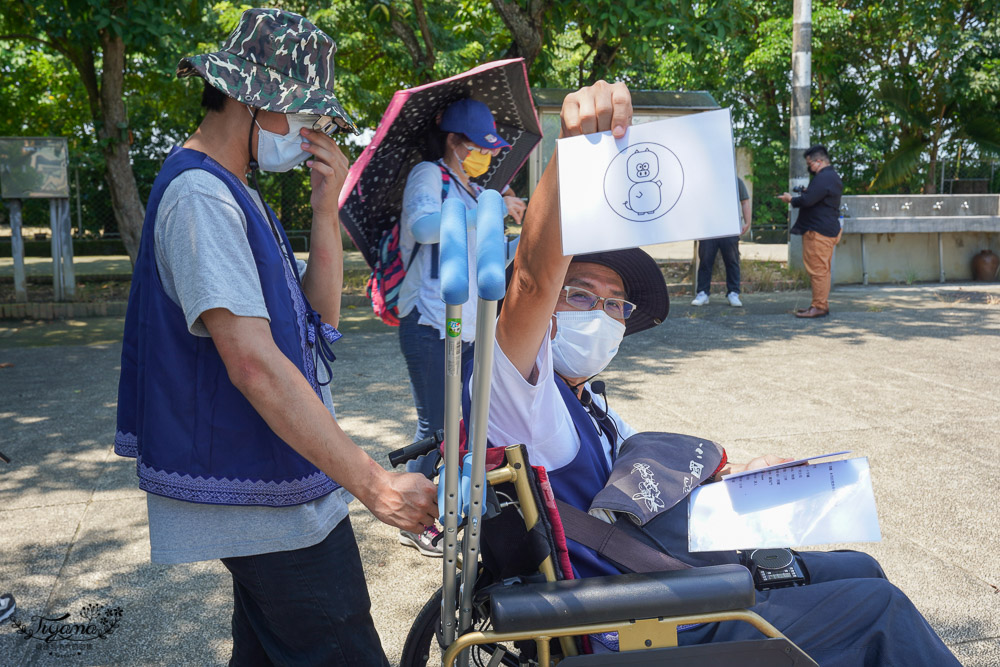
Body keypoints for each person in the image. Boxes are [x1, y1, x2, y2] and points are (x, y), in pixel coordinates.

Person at [477, 81, 959, 666]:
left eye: (614, 304)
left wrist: (746, 482)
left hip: (661, 572)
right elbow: (530, 280)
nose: (601, 313)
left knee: (863, 569)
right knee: (880, 610)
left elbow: (648, 488)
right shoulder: (521, 396)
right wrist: (573, 156)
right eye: (579, 294)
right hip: (634, 618)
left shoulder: (590, 404)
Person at [113, 9, 437, 665]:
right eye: (309, 116)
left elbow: (318, 321)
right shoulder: (202, 196)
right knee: (341, 643)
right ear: (249, 99)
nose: (316, 133)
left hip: (278, 478)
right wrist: (373, 483)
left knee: (264, 653)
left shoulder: (236, 190)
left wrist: (326, 207)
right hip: (269, 495)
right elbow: (255, 365)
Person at [396, 98, 526, 557]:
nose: (486, 157)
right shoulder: (429, 175)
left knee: (463, 424)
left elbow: (483, 258)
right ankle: (412, 516)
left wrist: (520, 237)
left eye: (490, 151)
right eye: (479, 147)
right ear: (453, 141)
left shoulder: (472, 189)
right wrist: (489, 212)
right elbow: (425, 226)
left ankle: (447, 507)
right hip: (429, 320)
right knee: (438, 426)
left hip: (466, 326)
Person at [780, 145, 843, 318]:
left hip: (819, 232)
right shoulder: (830, 177)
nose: (809, 167)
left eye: (810, 163)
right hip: (824, 229)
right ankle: (819, 304)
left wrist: (791, 199)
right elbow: (814, 197)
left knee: (818, 271)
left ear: (819, 161)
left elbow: (807, 201)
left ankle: (819, 306)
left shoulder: (825, 177)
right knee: (822, 270)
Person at [692, 177, 752, 307]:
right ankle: (702, 292)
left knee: (732, 260)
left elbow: (745, 201)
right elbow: (696, 201)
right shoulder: (704, 179)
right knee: (705, 261)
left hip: (730, 227)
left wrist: (747, 222)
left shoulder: (736, 180)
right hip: (708, 228)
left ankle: (734, 293)